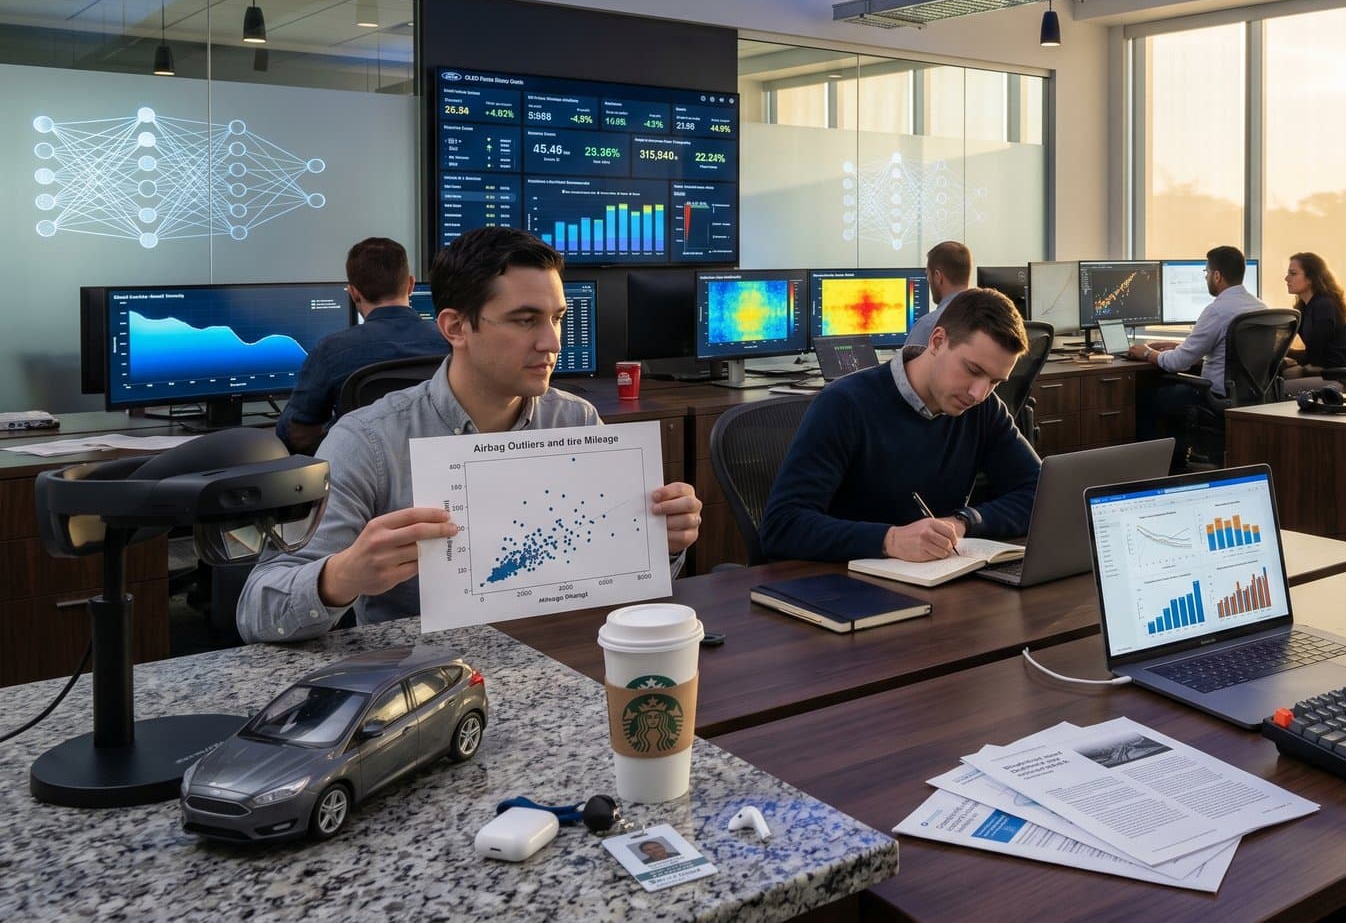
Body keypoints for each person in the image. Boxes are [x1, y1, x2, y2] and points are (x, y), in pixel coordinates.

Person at [238, 228, 702, 642]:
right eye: (525, 320)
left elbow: (617, 582)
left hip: (562, 653)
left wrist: (662, 544)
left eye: (557, 317)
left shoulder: (575, 420)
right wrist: (340, 575)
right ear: (455, 327)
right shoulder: (369, 441)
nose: (552, 342)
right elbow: (258, 608)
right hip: (424, 680)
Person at [760, 288, 1041, 564]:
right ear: (938, 341)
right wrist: (890, 540)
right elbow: (782, 525)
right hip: (842, 586)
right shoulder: (845, 404)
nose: (978, 393)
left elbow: (1041, 493)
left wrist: (963, 522)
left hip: (936, 580)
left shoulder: (983, 409)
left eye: (994, 382)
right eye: (973, 370)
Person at [277, 237, 450, 454]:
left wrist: (337, 433)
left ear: (353, 293)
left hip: (361, 476)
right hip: (438, 469)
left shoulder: (332, 350)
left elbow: (296, 434)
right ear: (411, 285)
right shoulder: (451, 341)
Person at [1126, 246, 1266, 466]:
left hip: (1215, 396)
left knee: (1147, 398)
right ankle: (1179, 463)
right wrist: (1181, 345)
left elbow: (1177, 363)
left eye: (1207, 272)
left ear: (1217, 276)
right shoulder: (1259, 306)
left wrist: (1146, 353)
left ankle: (1154, 471)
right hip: (1250, 395)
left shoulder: (1217, 310)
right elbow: (1227, 350)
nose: (1207, 277)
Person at [1282, 252, 1346, 386]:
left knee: (1277, 390)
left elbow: (1315, 358)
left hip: (1337, 375)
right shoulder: (1304, 307)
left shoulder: (1324, 306)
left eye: (1293, 273)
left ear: (1310, 278)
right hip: (1324, 370)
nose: (1286, 278)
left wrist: (1283, 355)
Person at [903, 240, 972, 349]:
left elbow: (901, 366)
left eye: (928, 275)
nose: (928, 280)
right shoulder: (988, 319)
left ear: (938, 277)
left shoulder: (928, 326)